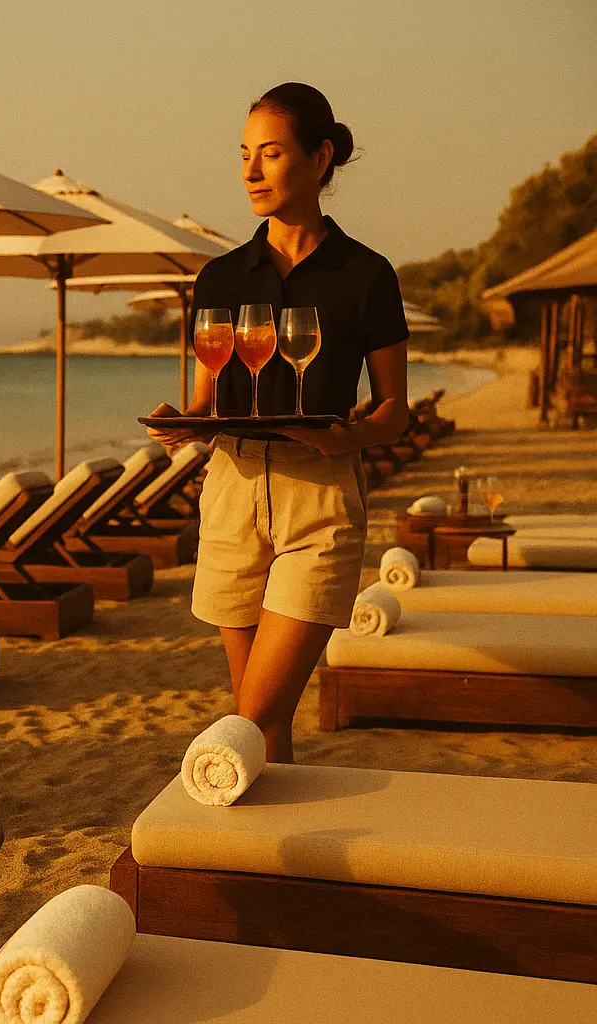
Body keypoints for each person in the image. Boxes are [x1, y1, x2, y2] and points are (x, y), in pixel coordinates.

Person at [148, 82, 409, 763]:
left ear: (320, 159)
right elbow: (207, 401)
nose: (250, 171)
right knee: (263, 729)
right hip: (231, 492)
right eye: (243, 155)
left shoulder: (366, 275)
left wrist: (343, 436)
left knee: (253, 714)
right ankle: (267, 857)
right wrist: (186, 420)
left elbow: (393, 412)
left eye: (269, 153)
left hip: (318, 497)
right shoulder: (220, 277)